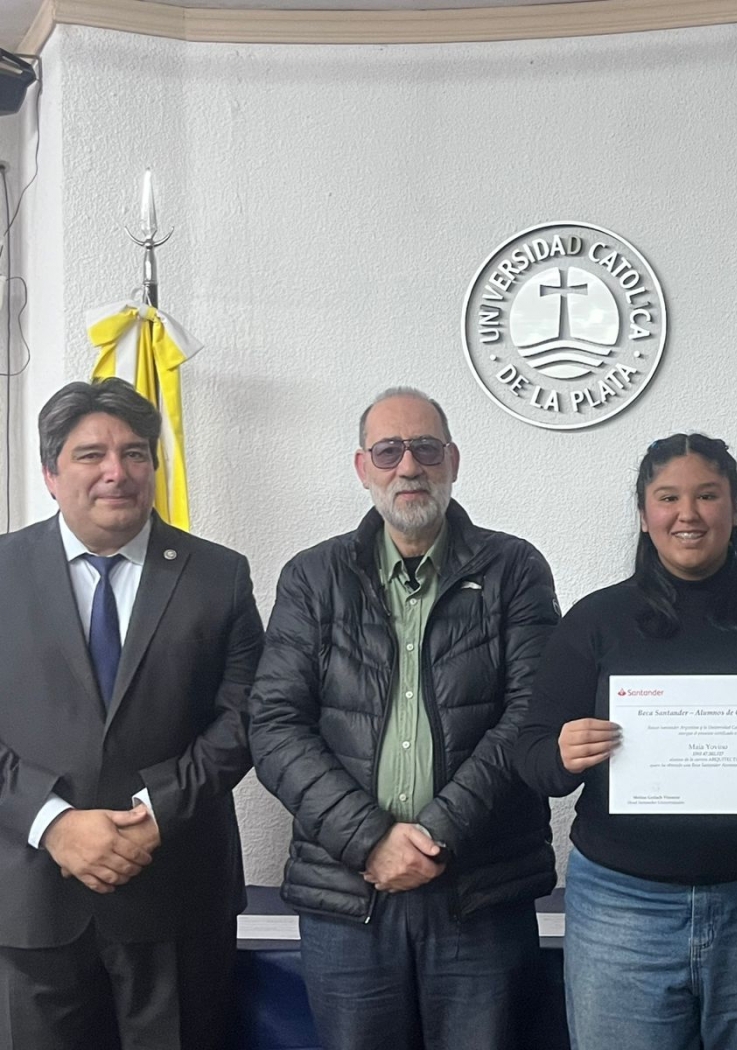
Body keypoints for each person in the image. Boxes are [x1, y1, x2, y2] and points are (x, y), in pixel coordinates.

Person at [515, 432, 737, 1050]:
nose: (688, 514)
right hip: (622, 906)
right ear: (643, 513)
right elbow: (530, 756)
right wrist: (561, 752)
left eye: (708, 495)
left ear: (736, 505)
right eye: (668, 497)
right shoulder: (596, 620)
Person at [248, 387, 559, 1050]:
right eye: (389, 451)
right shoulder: (312, 577)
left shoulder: (514, 570)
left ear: (452, 460)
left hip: (478, 893)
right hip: (348, 897)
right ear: (363, 469)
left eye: (425, 449)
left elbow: (533, 714)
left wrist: (437, 834)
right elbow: (273, 723)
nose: (408, 466)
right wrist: (371, 841)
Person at [0, 377, 263, 1049]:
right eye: (91, 455)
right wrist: (51, 823)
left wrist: (155, 815)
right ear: (51, 473)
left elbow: (247, 716)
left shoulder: (218, 575)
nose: (116, 472)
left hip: (176, 894)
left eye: (136, 452)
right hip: (30, 901)